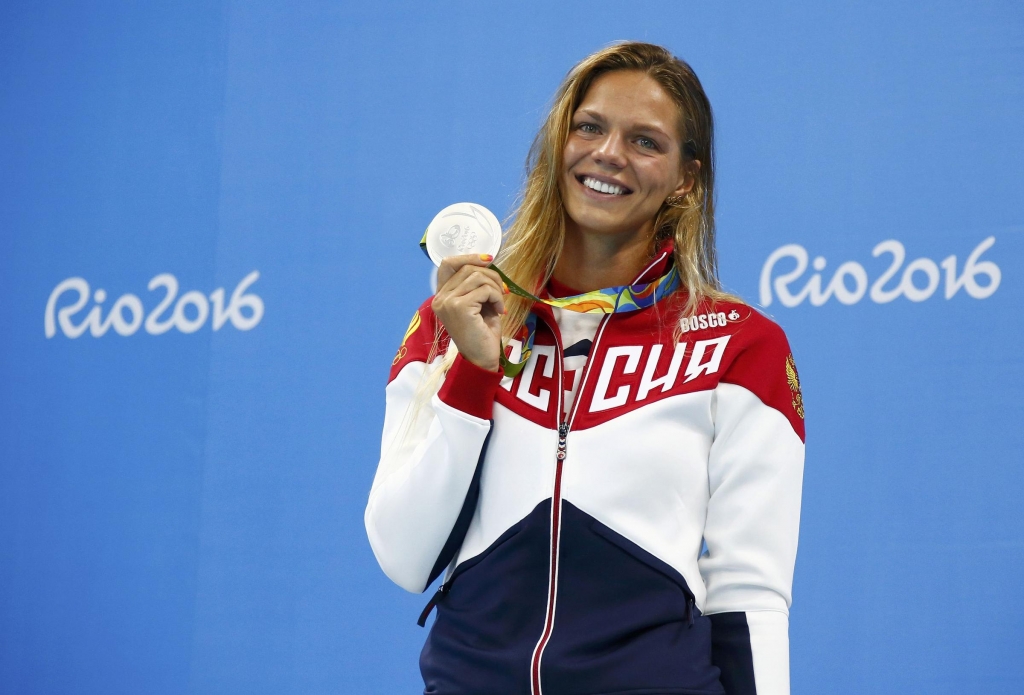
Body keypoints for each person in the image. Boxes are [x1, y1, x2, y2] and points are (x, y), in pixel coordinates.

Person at [365, 42, 805, 695]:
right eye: (589, 126)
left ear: (687, 178)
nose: (609, 153)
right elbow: (403, 555)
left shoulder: (740, 345)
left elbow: (750, 596)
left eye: (646, 141)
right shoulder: (451, 320)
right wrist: (472, 372)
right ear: (558, 142)